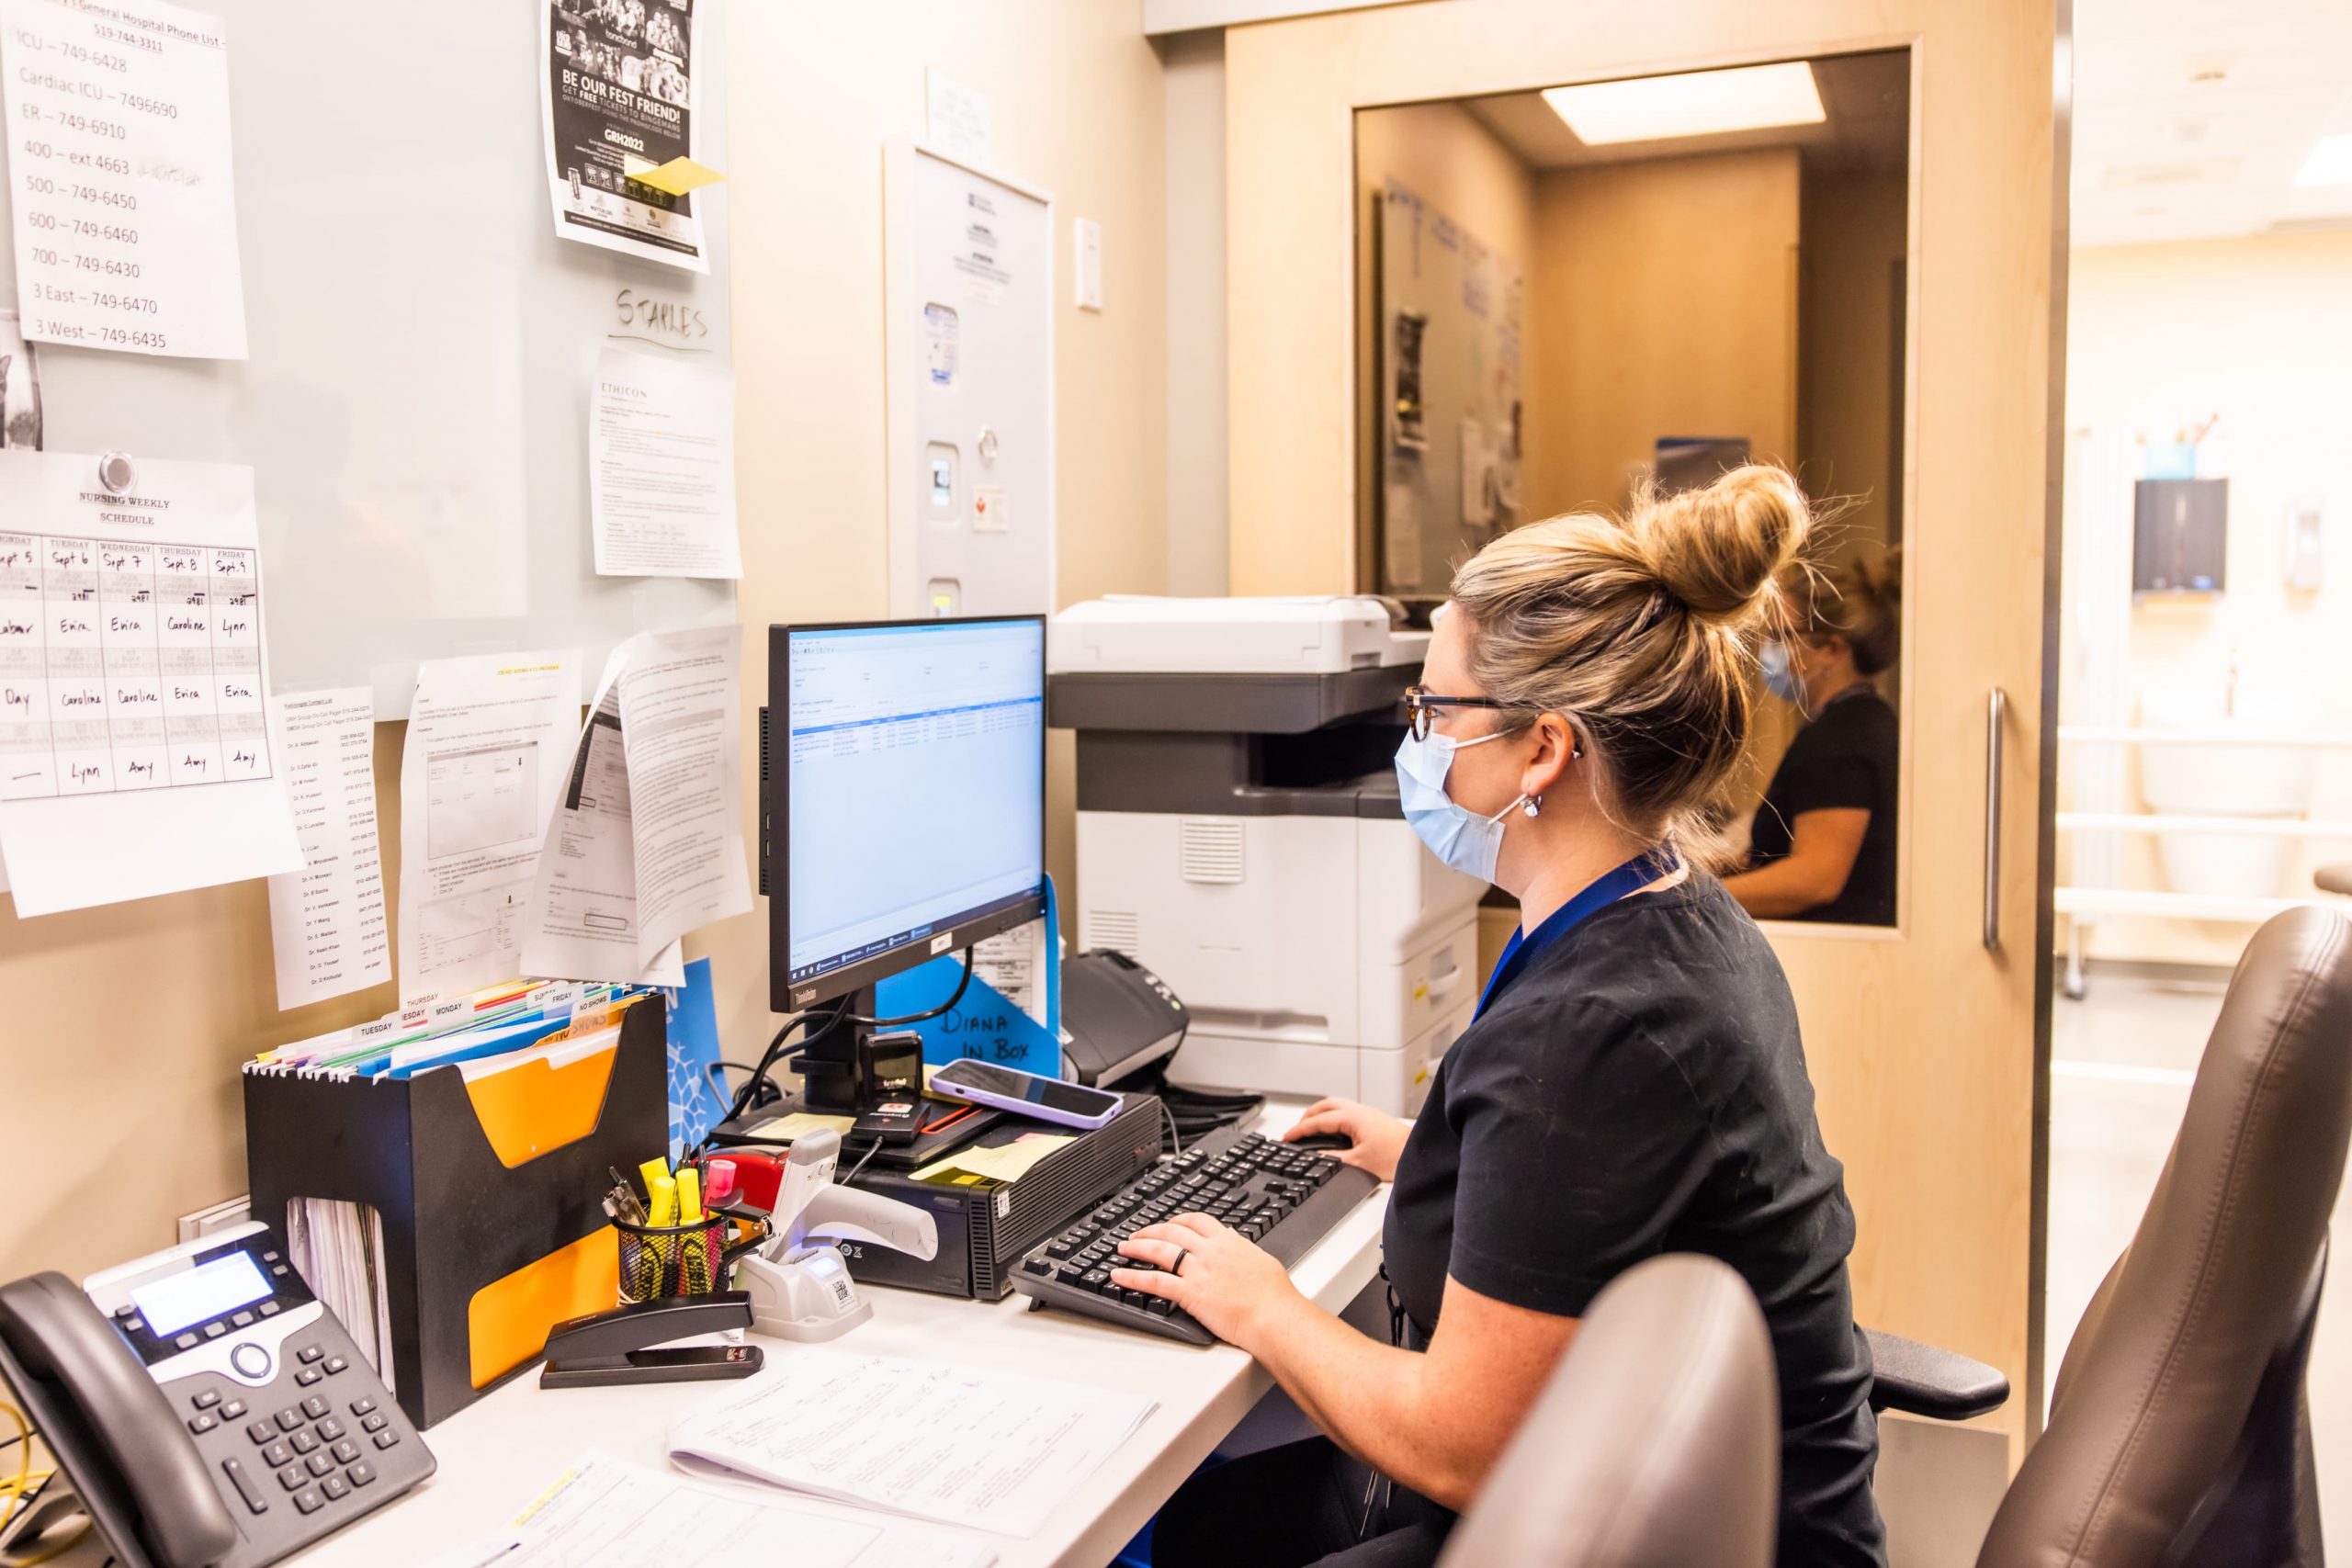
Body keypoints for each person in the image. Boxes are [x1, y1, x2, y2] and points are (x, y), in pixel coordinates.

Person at [1116, 465, 1886, 1568]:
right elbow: (1612, 1179)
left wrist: (1263, 1303)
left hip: (1663, 1534)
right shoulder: (1667, 911)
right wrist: (1436, 1154)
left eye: (1435, 709)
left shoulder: (1593, 1032)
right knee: (1212, 1523)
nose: (1416, 742)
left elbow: (1459, 1448)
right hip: (1676, 1489)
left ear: (1543, 748)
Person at [1724, 550, 1902, 926]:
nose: (1770, 652)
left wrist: (1696, 900)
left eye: (1782, 637)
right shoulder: (1857, 721)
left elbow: (1815, 879)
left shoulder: (1845, 736)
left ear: (1831, 649)